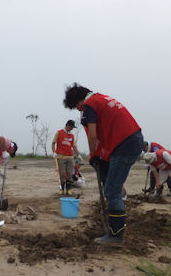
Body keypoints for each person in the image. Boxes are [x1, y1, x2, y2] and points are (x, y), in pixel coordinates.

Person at [64, 83, 143, 245]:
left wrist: (93, 155)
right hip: (129, 141)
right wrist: (100, 158)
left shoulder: (89, 105)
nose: (79, 110)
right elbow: (103, 133)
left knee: (111, 191)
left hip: (123, 145)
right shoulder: (101, 99)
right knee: (108, 180)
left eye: (77, 107)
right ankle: (116, 215)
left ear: (80, 100)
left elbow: (93, 135)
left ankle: (115, 235)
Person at [51, 119, 82, 195]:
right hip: (61, 157)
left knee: (69, 175)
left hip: (70, 157)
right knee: (62, 175)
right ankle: (61, 189)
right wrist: (54, 152)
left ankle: (68, 190)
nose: (72, 129)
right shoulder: (59, 133)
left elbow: (74, 146)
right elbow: (53, 143)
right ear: (67, 125)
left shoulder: (72, 135)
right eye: (71, 127)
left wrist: (78, 154)